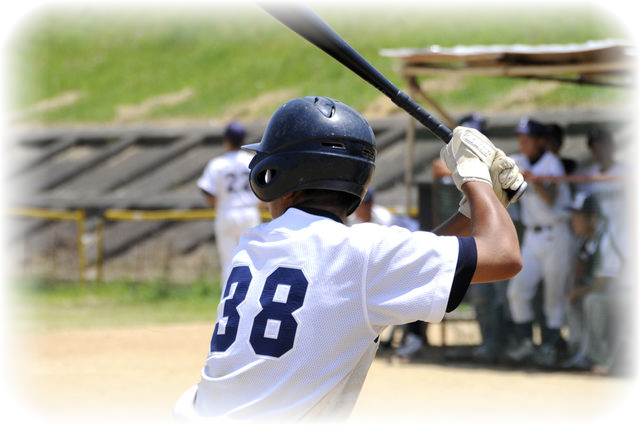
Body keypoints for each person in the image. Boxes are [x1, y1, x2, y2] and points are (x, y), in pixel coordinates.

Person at [173, 96, 523, 425]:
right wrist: (475, 179)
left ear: (280, 176)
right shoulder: (364, 252)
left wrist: (471, 209)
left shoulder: (253, 243)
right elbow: (504, 256)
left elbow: (394, 267)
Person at [506, 117, 574, 367]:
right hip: (532, 237)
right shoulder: (520, 161)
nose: (522, 143)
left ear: (541, 141)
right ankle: (526, 343)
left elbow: (550, 198)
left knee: (553, 299)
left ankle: (550, 349)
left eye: (528, 139)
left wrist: (531, 178)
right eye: (520, 138)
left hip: (556, 233)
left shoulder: (551, 162)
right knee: (517, 291)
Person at [563, 193, 634, 372]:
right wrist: (575, 290)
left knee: (592, 299)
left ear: (592, 218)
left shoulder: (609, 236)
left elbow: (602, 284)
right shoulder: (590, 237)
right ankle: (578, 352)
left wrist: (578, 291)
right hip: (612, 293)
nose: (573, 220)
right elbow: (582, 264)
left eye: (577, 216)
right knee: (575, 298)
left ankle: (593, 356)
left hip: (629, 293)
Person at [197, 121, 262, 285]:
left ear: (226, 140)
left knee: (228, 261)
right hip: (250, 212)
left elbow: (207, 191)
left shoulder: (218, 163)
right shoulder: (253, 161)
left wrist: (218, 206)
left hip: (226, 212)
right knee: (252, 258)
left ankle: (228, 303)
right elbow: (264, 189)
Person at [580, 129, 639, 272]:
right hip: (602, 235)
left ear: (611, 147)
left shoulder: (629, 173)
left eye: (601, 148)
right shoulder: (589, 177)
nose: (598, 153)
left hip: (626, 231)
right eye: (594, 149)